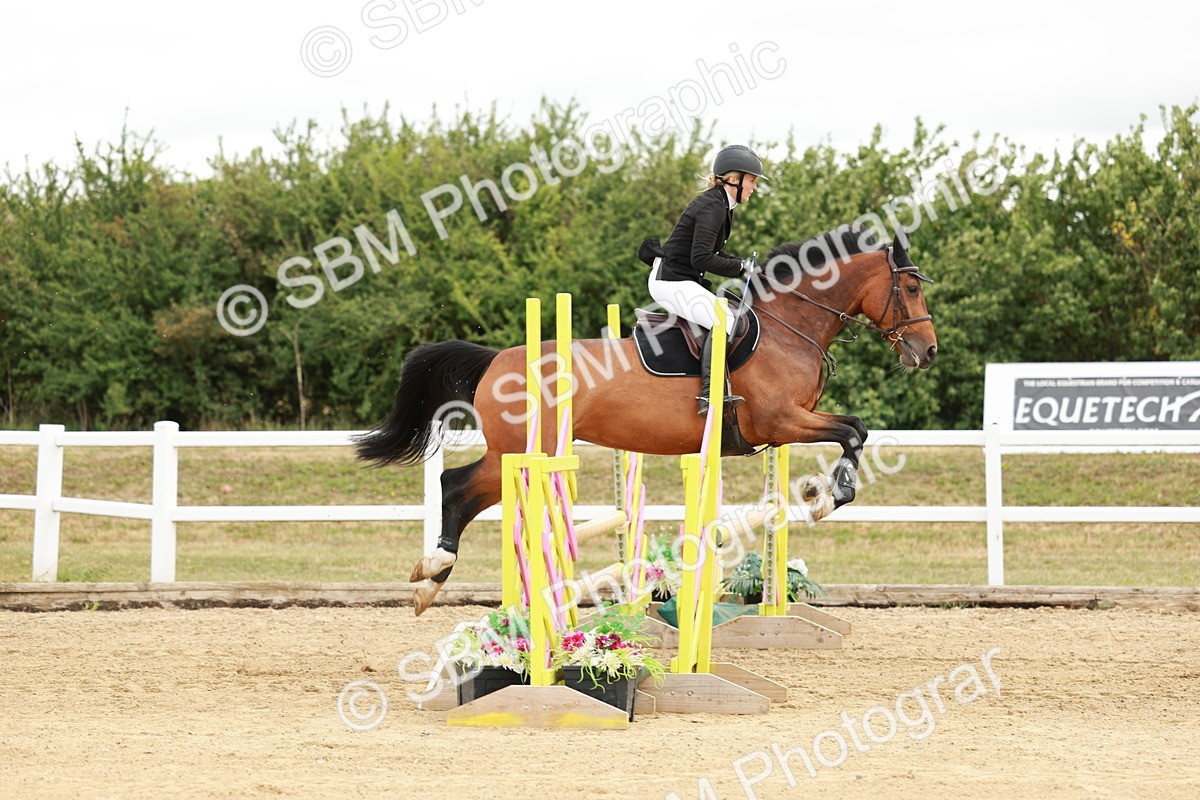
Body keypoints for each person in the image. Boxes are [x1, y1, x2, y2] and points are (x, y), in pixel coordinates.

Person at [645, 144, 766, 416]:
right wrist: (741, 268)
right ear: (734, 180)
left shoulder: (721, 203)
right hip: (670, 282)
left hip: (679, 279)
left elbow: (714, 252)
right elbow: (702, 259)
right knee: (726, 319)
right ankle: (710, 395)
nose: (754, 188)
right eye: (752, 181)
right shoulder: (713, 207)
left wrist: (744, 265)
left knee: (726, 314)